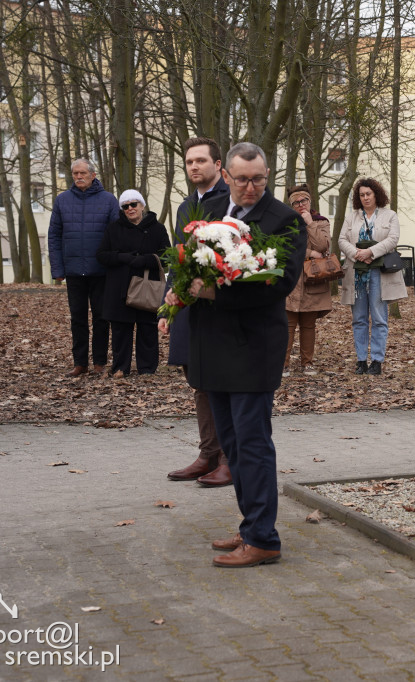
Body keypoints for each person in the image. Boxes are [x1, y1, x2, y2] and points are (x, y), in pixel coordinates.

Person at [174, 142, 305, 568]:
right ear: (226, 176)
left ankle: (264, 539)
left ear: (267, 176)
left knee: (251, 444)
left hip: (252, 349)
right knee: (230, 444)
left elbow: (278, 285)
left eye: (259, 179)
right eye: (242, 179)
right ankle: (251, 524)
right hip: (211, 347)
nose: (251, 187)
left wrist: (213, 290)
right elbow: (188, 265)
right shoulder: (208, 214)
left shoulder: (284, 220)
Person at [162, 137, 231, 487]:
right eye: (189, 161)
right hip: (188, 306)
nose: (194, 167)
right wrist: (166, 304)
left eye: (201, 161)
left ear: (218, 165)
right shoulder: (186, 205)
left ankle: (229, 459)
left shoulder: (231, 202)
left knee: (222, 379)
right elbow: (177, 257)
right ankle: (208, 454)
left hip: (220, 304)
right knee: (199, 380)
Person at [48, 159, 119, 377]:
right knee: (77, 318)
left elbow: (116, 235)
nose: (78, 177)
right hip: (73, 270)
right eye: (75, 173)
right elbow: (54, 236)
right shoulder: (62, 200)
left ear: (93, 175)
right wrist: (57, 269)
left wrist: (114, 266)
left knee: (101, 318)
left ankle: (99, 362)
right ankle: (80, 363)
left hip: (101, 271)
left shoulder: (108, 200)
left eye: (82, 173)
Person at [96, 190, 170, 378]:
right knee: (120, 329)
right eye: (125, 206)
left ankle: (147, 368)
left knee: (147, 328)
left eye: (134, 204)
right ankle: (121, 367)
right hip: (120, 285)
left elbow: (168, 257)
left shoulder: (157, 228)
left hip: (147, 284)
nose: (130, 209)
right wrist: (123, 257)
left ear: (142, 205)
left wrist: (146, 260)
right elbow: (102, 255)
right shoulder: (114, 228)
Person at [338, 177, 407, 376]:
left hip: (379, 273)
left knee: (379, 318)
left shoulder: (389, 215)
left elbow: (393, 239)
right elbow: (342, 239)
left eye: (369, 194)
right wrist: (356, 254)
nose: (365, 197)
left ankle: (377, 360)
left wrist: (371, 252)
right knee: (358, 318)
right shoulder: (352, 217)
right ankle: (361, 360)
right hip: (356, 272)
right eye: (362, 195)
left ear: (376, 194)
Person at [283, 184, 333, 377]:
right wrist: (310, 253)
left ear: (310, 201)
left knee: (308, 325)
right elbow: (285, 250)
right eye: (296, 202)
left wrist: (310, 223)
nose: (300, 205)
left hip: (314, 280)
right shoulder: (285, 223)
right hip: (291, 281)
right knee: (287, 325)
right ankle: (283, 364)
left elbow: (324, 245)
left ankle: (307, 363)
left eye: (303, 200)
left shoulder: (321, 222)